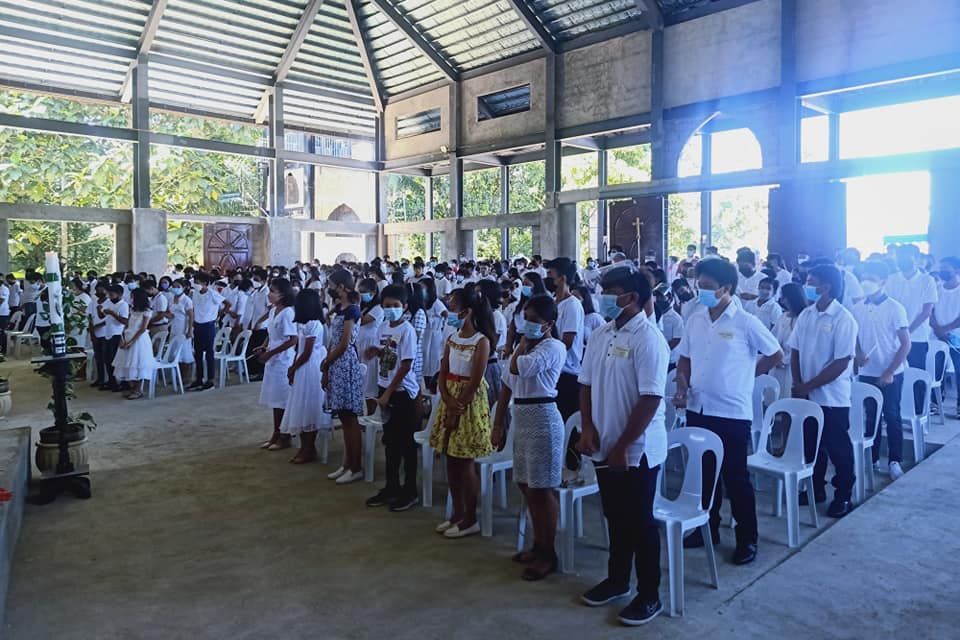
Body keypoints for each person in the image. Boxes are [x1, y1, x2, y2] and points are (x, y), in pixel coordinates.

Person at [577, 266, 669, 626]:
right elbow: (585, 383)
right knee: (614, 515)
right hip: (603, 442)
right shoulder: (601, 333)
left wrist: (623, 446)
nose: (604, 298)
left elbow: (650, 398)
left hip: (638, 449)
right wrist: (587, 427)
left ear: (631, 297)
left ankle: (649, 594)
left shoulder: (648, 338)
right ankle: (617, 580)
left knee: (640, 522)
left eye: (610, 291)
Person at [675, 258, 782, 565]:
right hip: (698, 407)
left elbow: (775, 352)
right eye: (700, 285)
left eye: (708, 287)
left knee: (735, 477)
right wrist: (682, 385)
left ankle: (748, 539)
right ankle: (706, 528)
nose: (701, 290)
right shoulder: (696, 319)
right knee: (704, 473)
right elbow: (684, 358)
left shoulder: (745, 322)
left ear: (727, 289)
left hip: (732, 412)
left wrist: (749, 375)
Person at [492, 294, 566, 581]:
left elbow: (517, 368)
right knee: (525, 484)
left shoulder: (552, 347)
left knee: (541, 487)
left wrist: (519, 341)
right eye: (525, 319)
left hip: (543, 418)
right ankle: (538, 544)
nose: (527, 325)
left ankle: (548, 552)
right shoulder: (524, 348)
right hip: (521, 418)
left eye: (534, 321)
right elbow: (506, 386)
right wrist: (498, 425)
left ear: (548, 324)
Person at [788, 264, 858, 518]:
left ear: (826, 287)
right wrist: (798, 382)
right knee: (811, 446)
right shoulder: (806, 314)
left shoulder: (843, 319)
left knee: (838, 448)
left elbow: (841, 362)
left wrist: (808, 385)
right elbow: (794, 349)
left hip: (832, 398)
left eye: (811, 281)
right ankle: (815, 488)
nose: (806, 285)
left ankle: (844, 494)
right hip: (806, 394)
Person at [430, 286, 495, 538]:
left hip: (468, 403)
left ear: (466, 311)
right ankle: (456, 513)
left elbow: (476, 379)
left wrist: (458, 406)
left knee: (465, 462)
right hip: (450, 398)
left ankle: (470, 518)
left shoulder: (481, 341)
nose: (450, 310)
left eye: (454, 306)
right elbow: (443, 369)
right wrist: (446, 397)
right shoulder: (452, 338)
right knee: (450, 459)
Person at [364, 285, 421, 512]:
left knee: (406, 443)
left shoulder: (407, 330)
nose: (390, 310)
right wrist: (376, 352)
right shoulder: (384, 327)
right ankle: (391, 486)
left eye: (395, 306)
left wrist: (388, 393)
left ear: (405, 307)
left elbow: (406, 365)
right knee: (389, 442)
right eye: (386, 306)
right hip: (385, 387)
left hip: (402, 393)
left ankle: (409, 490)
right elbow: (388, 352)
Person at [852, 260, 910, 481]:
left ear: (883, 282)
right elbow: (856, 337)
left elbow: (906, 344)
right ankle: (873, 457)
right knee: (871, 416)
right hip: (867, 372)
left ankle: (895, 460)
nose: (866, 282)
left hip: (891, 372)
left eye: (872, 279)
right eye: (864, 277)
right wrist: (858, 354)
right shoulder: (857, 307)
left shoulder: (895, 308)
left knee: (892, 415)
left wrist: (889, 371)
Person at [323, 269, 366, 485]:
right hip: (335, 362)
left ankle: (356, 466)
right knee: (342, 415)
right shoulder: (340, 308)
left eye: (331, 284)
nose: (329, 288)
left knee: (350, 418)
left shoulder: (353, 310)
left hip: (344, 362)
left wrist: (327, 361)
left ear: (341, 286)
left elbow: (345, 343)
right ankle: (347, 463)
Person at [280, 289, 331, 464]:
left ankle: (309, 448)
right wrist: (293, 366)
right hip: (302, 365)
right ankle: (305, 446)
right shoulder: (303, 324)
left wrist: (294, 367)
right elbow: (299, 349)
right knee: (299, 406)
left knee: (309, 406)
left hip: (310, 367)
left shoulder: (315, 324)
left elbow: (308, 352)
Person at [255, 279, 298, 451]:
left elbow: (293, 339)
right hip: (273, 359)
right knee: (274, 399)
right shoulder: (274, 311)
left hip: (283, 361)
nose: (269, 294)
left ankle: (285, 435)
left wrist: (271, 353)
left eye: (272, 291)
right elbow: (270, 333)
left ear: (282, 294)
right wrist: (264, 346)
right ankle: (276, 433)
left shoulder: (288, 313)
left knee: (282, 400)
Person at [885, 244, 937, 375]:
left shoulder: (927, 280)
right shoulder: (891, 279)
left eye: (905, 257)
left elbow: (926, 312)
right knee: (895, 375)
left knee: (915, 376)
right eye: (899, 257)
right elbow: (888, 307)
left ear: (916, 258)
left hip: (917, 337)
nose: (901, 260)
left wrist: (907, 332)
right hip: (893, 338)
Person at [545, 257, 584, 422]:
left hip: (566, 372)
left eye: (550, 274)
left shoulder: (572, 305)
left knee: (565, 421)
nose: (547, 278)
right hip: (552, 369)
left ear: (562, 279)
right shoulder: (553, 303)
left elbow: (567, 342)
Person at [111, 288, 155, 400]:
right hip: (128, 336)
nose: (131, 299)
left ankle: (138, 389)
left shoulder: (147, 311)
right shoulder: (132, 310)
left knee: (138, 364)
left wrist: (131, 342)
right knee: (128, 363)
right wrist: (123, 338)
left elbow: (142, 328)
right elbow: (127, 324)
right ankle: (132, 387)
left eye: (133, 297)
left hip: (139, 340)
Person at [931, 256, 960, 417]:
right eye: (941, 268)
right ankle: (935, 403)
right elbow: (931, 311)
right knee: (936, 372)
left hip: (957, 337)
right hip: (937, 337)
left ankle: (959, 406)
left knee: (959, 372)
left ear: (956, 270)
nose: (942, 271)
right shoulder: (937, 288)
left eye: (946, 269)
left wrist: (946, 329)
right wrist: (937, 329)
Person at [770, 283, 808, 397]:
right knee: (774, 398)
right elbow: (773, 339)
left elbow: (802, 346)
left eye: (784, 297)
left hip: (793, 366)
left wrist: (784, 360)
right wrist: (775, 357)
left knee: (788, 397)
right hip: (777, 363)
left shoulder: (804, 318)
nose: (782, 300)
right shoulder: (783, 316)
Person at [188, 273, 224, 391]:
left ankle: (211, 380)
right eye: (195, 282)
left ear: (205, 283)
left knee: (209, 353)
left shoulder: (213, 294)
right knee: (197, 353)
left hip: (208, 325)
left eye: (198, 282)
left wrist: (217, 316)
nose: (195, 284)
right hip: (198, 324)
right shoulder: (195, 294)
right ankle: (199, 379)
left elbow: (227, 304)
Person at [357, 277, 385, 414]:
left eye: (364, 292)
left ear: (373, 292)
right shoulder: (365, 306)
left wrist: (353, 306)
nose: (361, 294)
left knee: (370, 383)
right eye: (360, 291)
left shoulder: (378, 308)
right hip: (361, 344)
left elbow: (362, 321)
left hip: (371, 345)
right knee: (362, 380)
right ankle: (364, 413)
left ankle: (372, 413)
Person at [98, 284, 129, 392]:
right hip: (107, 333)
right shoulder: (108, 302)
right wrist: (100, 310)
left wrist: (112, 313)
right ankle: (111, 381)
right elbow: (102, 316)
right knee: (107, 359)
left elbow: (125, 321)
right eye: (109, 294)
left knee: (117, 360)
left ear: (119, 294)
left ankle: (122, 382)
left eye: (112, 294)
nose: (109, 296)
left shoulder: (123, 305)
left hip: (117, 333)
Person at [421, 277, 447, 394]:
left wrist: (441, 324)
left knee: (433, 362)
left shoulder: (436, 303)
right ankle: (426, 386)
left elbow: (445, 314)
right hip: (424, 335)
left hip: (434, 335)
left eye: (423, 287)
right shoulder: (422, 302)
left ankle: (433, 387)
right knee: (425, 362)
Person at [168, 279, 195, 384]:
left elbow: (191, 316)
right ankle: (177, 376)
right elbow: (171, 313)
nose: (175, 288)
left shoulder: (187, 300)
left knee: (184, 353)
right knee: (175, 353)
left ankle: (185, 377)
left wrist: (190, 330)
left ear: (183, 288)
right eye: (174, 286)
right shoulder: (171, 299)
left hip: (183, 329)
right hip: (174, 328)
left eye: (178, 286)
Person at [87, 281, 109, 388]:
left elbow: (109, 319)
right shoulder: (93, 303)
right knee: (98, 358)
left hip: (106, 334)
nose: (99, 292)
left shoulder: (109, 303)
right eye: (97, 290)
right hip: (96, 334)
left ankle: (108, 380)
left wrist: (98, 326)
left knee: (106, 358)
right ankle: (100, 379)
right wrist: (92, 332)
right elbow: (90, 318)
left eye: (102, 289)